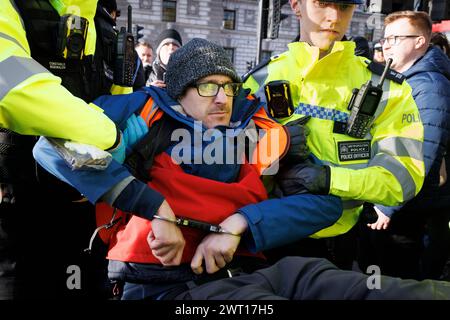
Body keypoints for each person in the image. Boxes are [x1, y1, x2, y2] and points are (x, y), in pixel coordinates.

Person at [35, 37, 450, 300]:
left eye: (230, 86)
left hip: (254, 265)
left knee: (374, 290)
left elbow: (323, 206)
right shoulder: (142, 115)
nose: (222, 97)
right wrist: (152, 208)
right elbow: (52, 147)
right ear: (179, 92)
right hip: (158, 280)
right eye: (207, 86)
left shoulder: (264, 130)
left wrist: (240, 225)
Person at [243, 0, 425, 269]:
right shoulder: (258, 81)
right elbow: (229, 165)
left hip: (343, 242)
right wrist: (270, 153)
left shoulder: (387, 89)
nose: (333, 17)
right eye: (322, 3)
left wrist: (329, 179)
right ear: (296, 5)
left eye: (344, 6)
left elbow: (404, 177)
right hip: (269, 237)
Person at [0, 0, 140, 299]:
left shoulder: (103, 23)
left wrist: (126, 142)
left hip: (86, 210)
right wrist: (111, 137)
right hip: (19, 209)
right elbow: (11, 88)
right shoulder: (10, 6)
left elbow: (119, 101)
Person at [359, 11, 450, 280]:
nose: (386, 44)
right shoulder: (403, 79)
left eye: (395, 38)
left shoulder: (429, 85)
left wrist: (388, 206)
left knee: (394, 281)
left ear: (420, 41)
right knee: (375, 277)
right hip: (390, 198)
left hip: (407, 208)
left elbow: (424, 149)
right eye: (385, 39)